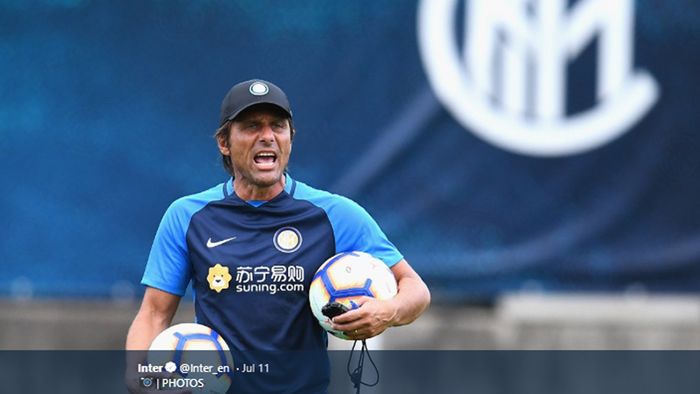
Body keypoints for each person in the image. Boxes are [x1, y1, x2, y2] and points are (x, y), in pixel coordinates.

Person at [126, 79, 431, 393]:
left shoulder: (335, 214)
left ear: (291, 137)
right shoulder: (187, 216)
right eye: (252, 126)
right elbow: (153, 313)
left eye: (278, 126)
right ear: (224, 142)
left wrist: (386, 312)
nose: (267, 137)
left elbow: (415, 290)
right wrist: (141, 380)